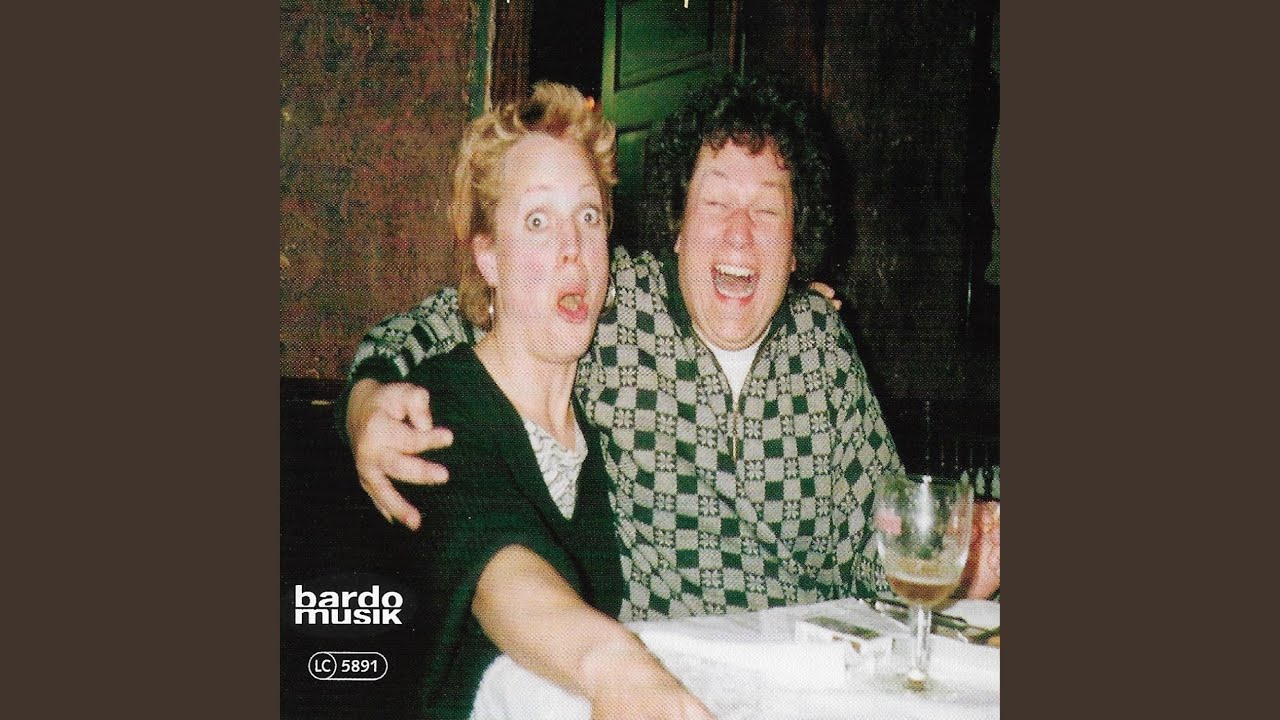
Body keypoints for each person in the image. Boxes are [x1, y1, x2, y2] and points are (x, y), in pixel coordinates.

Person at [344, 74, 951, 622]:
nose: (740, 234)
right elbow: (438, 323)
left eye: (768, 210)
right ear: (678, 227)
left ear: (796, 248)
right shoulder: (613, 304)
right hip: (663, 668)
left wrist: (959, 558)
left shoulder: (822, 346)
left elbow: (884, 549)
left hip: (810, 673)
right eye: (716, 203)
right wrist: (364, 403)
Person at [389, 81, 711, 719]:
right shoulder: (439, 405)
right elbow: (501, 574)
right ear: (489, 257)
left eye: (588, 216)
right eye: (537, 221)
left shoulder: (598, 424)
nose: (573, 248)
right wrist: (617, 668)